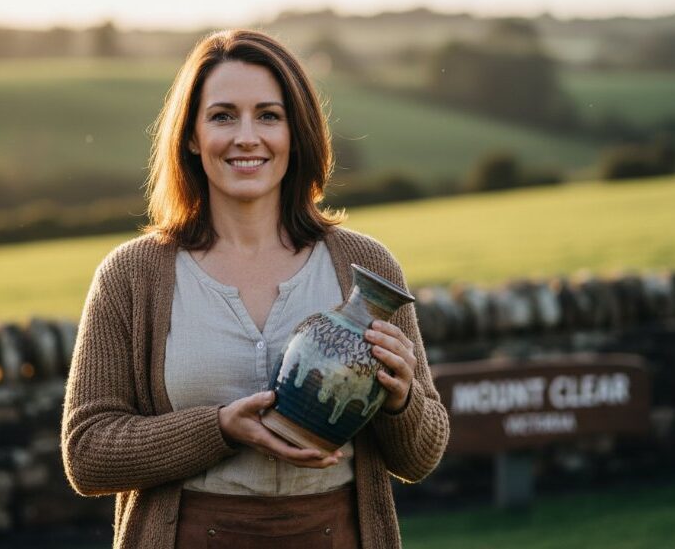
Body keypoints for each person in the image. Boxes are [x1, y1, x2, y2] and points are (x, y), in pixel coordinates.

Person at [61, 29, 449, 549]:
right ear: (192, 137)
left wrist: (402, 402)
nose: (248, 136)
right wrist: (219, 429)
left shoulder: (364, 266)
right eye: (223, 116)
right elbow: (86, 454)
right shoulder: (132, 276)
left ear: (297, 132)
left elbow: (420, 458)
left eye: (269, 115)